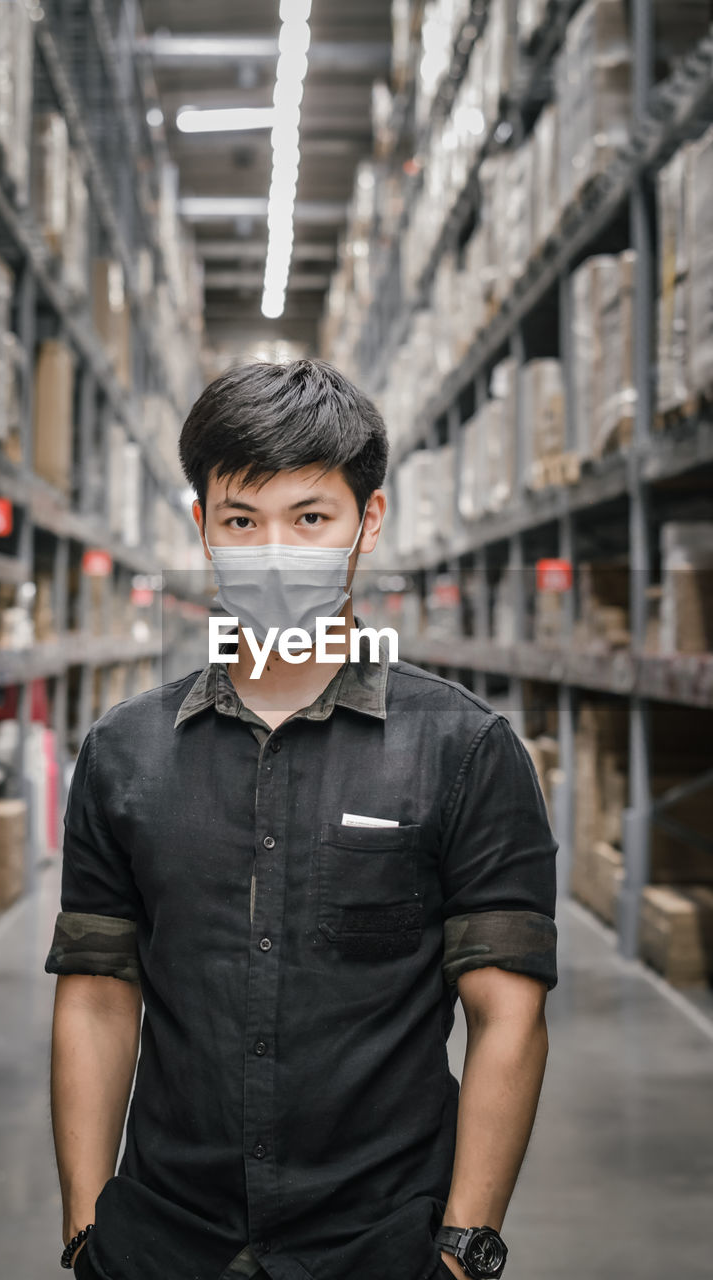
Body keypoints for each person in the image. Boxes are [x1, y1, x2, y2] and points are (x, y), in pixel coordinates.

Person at [45, 358, 558, 1280]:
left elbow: (507, 1014)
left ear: (369, 521)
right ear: (202, 528)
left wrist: (462, 1249)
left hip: (381, 1243)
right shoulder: (123, 752)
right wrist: (87, 1231)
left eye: (310, 518)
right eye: (243, 521)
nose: (275, 552)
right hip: (164, 1241)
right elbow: (95, 990)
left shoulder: (466, 751)